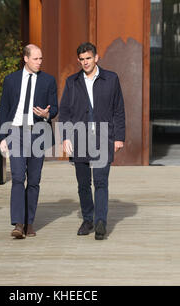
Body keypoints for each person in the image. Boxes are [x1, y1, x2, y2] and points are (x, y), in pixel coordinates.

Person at [58, 42, 125, 240]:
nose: (85, 62)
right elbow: (65, 113)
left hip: (104, 137)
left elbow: (118, 110)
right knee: (84, 184)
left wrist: (119, 137)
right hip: (80, 138)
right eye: (82, 59)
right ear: (78, 60)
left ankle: (100, 222)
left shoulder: (111, 79)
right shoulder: (72, 82)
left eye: (88, 58)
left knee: (101, 181)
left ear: (96, 58)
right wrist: (65, 137)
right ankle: (88, 219)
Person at [0, 44, 58, 239]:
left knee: (33, 180)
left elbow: (55, 108)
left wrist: (47, 114)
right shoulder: (11, 80)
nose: (39, 62)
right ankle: (18, 223)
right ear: (25, 58)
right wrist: (2, 137)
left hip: (37, 133)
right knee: (17, 177)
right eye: (35, 59)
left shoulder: (48, 80)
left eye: (41, 59)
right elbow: (4, 109)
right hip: (15, 132)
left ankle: (30, 222)